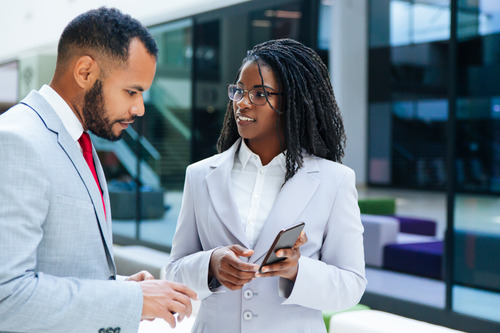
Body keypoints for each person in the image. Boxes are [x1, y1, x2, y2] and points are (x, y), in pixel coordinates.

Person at [0, 7, 196, 332]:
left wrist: (120, 288)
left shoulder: (79, 142)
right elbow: (8, 297)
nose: (140, 108)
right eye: (132, 91)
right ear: (86, 72)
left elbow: (55, 268)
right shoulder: (16, 141)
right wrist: (133, 300)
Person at [165, 38, 367, 332]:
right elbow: (173, 271)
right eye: (239, 91)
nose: (242, 103)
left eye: (260, 94)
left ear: (293, 101)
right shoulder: (200, 175)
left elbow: (352, 284)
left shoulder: (334, 181)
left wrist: (297, 271)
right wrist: (210, 264)